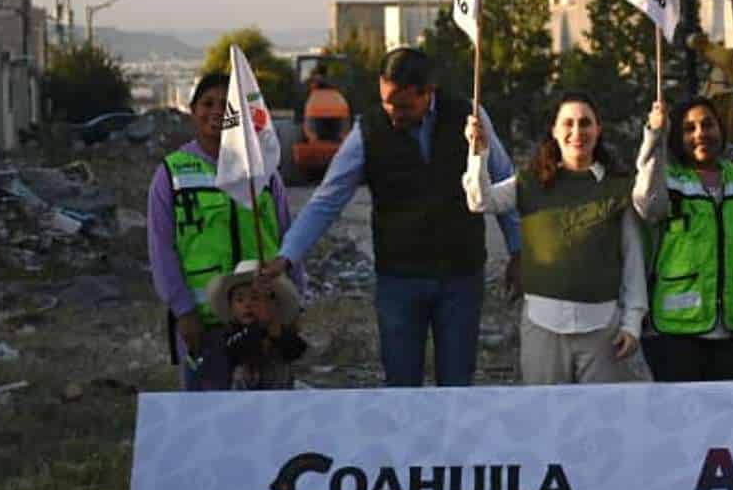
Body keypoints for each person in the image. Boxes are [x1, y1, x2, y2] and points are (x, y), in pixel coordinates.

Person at [260, 47, 520, 388]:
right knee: (401, 385)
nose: (394, 113)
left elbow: (504, 183)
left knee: (457, 384)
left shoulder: (469, 118)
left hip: (460, 278)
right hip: (399, 281)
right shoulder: (367, 131)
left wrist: (518, 250)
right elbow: (327, 200)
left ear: (427, 92)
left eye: (404, 105)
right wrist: (287, 255)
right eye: (387, 103)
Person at [464, 90, 655, 385]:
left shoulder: (619, 187)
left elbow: (633, 259)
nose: (577, 132)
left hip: (604, 330)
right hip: (541, 326)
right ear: (554, 130)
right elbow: (480, 201)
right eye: (568, 123)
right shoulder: (529, 183)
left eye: (585, 123)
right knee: (544, 411)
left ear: (598, 129)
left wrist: (632, 324)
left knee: (603, 411)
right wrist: (478, 153)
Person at [148, 71, 301, 391]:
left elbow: (289, 240)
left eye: (227, 106)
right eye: (208, 103)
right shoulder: (172, 173)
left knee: (270, 413)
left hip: (265, 319)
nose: (217, 112)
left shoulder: (263, 173)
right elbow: (162, 250)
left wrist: (294, 305)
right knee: (208, 415)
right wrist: (184, 312)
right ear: (193, 110)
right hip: (203, 325)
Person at [637, 96, 733, 383]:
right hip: (673, 332)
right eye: (689, 128)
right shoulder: (667, 179)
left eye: (707, 125)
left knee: (725, 410)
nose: (700, 134)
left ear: (720, 129)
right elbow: (647, 205)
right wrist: (654, 138)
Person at [191, 260, 308, 391]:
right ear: (231, 307)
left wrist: (276, 332)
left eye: (255, 298)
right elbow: (233, 349)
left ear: (272, 304)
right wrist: (259, 328)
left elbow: (297, 350)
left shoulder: (278, 330)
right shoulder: (227, 335)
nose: (248, 305)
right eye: (240, 300)